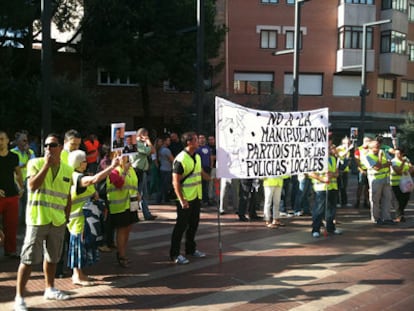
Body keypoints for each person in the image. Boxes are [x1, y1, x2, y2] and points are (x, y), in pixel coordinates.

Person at [15, 133, 74, 311]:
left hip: (57, 221)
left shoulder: (67, 169)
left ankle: (49, 288)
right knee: (28, 259)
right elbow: (32, 186)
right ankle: (19, 297)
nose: (49, 148)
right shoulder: (36, 163)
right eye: (46, 145)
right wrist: (47, 165)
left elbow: (68, 196)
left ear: (60, 148)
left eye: (53, 145)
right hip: (37, 219)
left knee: (53, 257)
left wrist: (67, 216)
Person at [67, 150, 120, 285]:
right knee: (78, 247)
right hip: (79, 221)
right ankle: (77, 276)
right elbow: (93, 180)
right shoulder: (76, 177)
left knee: (84, 247)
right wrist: (111, 167)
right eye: (84, 161)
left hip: (85, 220)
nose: (86, 163)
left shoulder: (78, 175)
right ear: (78, 163)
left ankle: (81, 274)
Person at [169, 132, 211, 265]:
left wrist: (212, 178)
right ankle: (175, 254)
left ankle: (191, 249)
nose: (199, 142)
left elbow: (200, 172)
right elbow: (175, 182)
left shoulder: (197, 156)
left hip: (196, 196)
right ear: (189, 142)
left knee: (194, 224)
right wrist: (181, 200)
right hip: (185, 199)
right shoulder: (180, 159)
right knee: (181, 226)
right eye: (196, 140)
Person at [107, 152, 140, 267]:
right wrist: (125, 171)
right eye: (121, 155)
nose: (125, 157)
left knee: (128, 229)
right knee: (122, 230)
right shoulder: (113, 171)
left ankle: (123, 252)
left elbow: (134, 184)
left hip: (131, 205)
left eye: (125, 155)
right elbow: (119, 184)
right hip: (119, 206)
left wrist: (138, 194)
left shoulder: (131, 169)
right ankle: (121, 255)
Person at [308, 143, 341, 238]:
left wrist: (333, 174)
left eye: (329, 148)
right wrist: (322, 179)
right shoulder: (316, 159)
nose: (330, 149)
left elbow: (337, 173)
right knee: (319, 209)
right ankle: (316, 229)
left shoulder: (333, 159)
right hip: (321, 187)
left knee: (331, 209)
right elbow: (311, 173)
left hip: (333, 186)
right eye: (327, 148)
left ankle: (331, 227)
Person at [0, 130, 24, 259]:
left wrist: (21, 187)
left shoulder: (13, 156)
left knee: (12, 225)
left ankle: (11, 251)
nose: (1, 142)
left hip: (12, 195)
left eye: (2, 139)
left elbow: (18, 172)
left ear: (8, 140)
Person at [364, 140, 395, 225]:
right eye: (376, 147)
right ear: (371, 148)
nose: (378, 148)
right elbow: (376, 167)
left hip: (386, 178)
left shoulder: (383, 153)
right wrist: (380, 158)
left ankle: (386, 217)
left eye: (379, 146)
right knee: (375, 199)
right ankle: (376, 218)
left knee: (387, 198)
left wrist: (383, 164)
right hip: (375, 180)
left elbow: (390, 162)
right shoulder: (367, 156)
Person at [130, 128, 156, 220]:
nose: (147, 137)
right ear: (142, 135)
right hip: (138, 171)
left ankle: (146, 214)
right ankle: (135, 215)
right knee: (138, 194)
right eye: (146, 135)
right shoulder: (137, 144)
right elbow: (152, 150)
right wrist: (148, 141)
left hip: (141, 171)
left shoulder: (139, 144)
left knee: (143, 194)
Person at [11, 131, 35, 225]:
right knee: (18, 204)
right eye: (24, 140)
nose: (26, 143)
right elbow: (14, 166)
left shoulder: (30, 152)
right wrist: (25, 164)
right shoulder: (13, 152)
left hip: (28, 181)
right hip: (16, 181)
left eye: (27, 140)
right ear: (18, 141)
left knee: (28, 203)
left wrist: (28, 154)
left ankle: (25, 222)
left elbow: (34, 165)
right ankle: (16, 222)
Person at [390, 147, 413, 223]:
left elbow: (411, 169)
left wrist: (408, 170)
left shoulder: (407, 160)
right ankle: (399, 216)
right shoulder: (393, 161)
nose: (397, 155)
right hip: (396, 183)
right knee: (397, 200)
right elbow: (398, 171)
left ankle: (401, 214)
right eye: (395, 153)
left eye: (398, 153)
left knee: (405, 199)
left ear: (402, 154)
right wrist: (403, 163)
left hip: (406, 184)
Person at [354, 136, 372, 209]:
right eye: (369, 141)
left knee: (367, 187)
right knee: (360, 186)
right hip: (362, 170)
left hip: (370, 170)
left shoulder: (371, 149)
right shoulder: (359, 149)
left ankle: (366, 201)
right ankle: (358, 201)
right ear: (365, 141)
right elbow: (357, 161)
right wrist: (361, 170)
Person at [336, 136, 353, 207]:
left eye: (349, 143)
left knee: (344, 187)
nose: (348, 144)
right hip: (339, 170)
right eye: (346, 143)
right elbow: (340, 156)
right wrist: (348, 149)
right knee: (339, 186)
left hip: (345, 170)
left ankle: (344, 202)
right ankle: (337, 202)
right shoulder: (339, 148)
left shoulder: (347, 149)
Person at [195, 134, 213, 205]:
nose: (202, 139)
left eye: (203, 138)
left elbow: (210, 157)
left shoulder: (208, 148)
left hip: (207, 168)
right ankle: (202, 200)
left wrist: (211, 165)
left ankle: (206, 200)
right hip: (200, 168)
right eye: (200, 138)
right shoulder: (197, 148)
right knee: (201, 185)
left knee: (207, 185)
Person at [158, 136, 174, 203]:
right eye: (168, 140)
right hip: (167, 169)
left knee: (163, 184)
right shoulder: (166, 150)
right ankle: (165, 199)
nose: (169, 142)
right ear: (165, 141)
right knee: (166, 185)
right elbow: (172, 159)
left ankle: (161, 199)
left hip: (162, 168)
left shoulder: (160, 149)